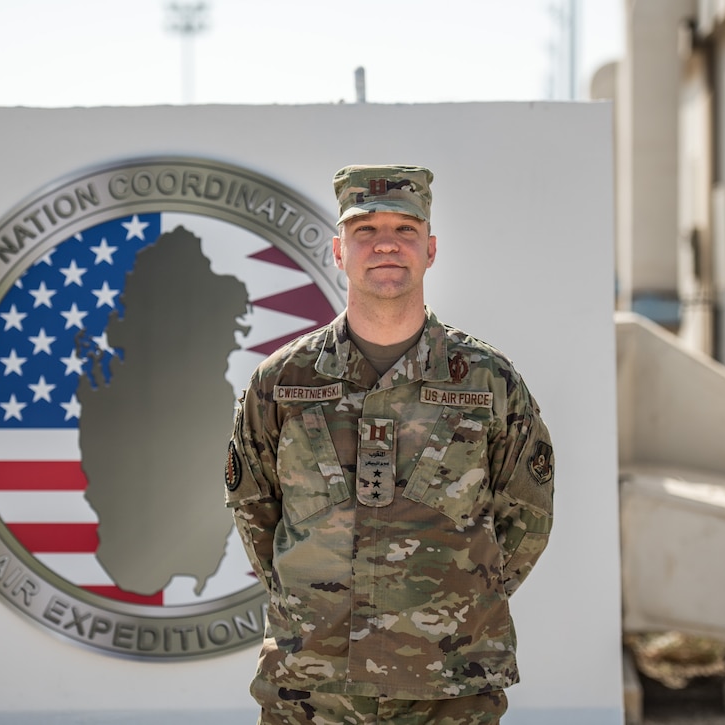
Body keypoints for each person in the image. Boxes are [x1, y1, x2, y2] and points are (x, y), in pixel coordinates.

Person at [224, 164, 555, 724]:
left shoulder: (484, 379)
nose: (385, 245)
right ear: (338, 251)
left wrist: (454, 611)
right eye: (364, 230)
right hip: (312, 688)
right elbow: (255, 510)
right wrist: (311, 603)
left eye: (404, 229)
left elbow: (526, 517)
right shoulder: (282, 381)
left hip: (449, 685)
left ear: (430, 249)